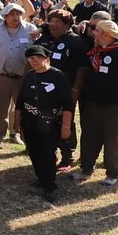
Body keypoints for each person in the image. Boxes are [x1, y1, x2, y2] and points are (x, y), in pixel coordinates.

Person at [13, 45, 74, 202]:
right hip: (30, 121)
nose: (33, 61)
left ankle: (50, 186)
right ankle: (42, 178)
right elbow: (20, 101)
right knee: (33, 151)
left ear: (46, 58)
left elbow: (68, 104)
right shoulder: (29, 76)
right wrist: (16, 121)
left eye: (37, 57)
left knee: (47, 153)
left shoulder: (58, 76)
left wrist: (66, 126)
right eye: (31, 58)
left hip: (50, 122)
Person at [72, 19, 118, 187]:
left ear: (105, 34)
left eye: (96, 30)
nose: (93, 33)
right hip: (92, 102)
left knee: (112, 139)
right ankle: (86, 169)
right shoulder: (95, 52)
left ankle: (112, 172)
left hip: (113, 104)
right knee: (89, 136)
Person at [34, 9, 87, 172]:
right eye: (51, 22)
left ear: (68, 25)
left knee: (65, 121)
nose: (53, 25)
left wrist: (76, 89)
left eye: (57, 23)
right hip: (45, 89)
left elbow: (82, 68)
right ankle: (51, 152)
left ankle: (67, 156)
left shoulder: (76, 41)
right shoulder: (46, 38)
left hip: (66, 90)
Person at [0, 2, 37, 148]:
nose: (15, 16)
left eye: (18, 13)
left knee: (23, 108)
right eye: (12, 14)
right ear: (5, 16)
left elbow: (39, 51)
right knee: (0, 108)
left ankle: (20, 135)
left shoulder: (31, 30)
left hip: (23, 78)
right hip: (1, 76)